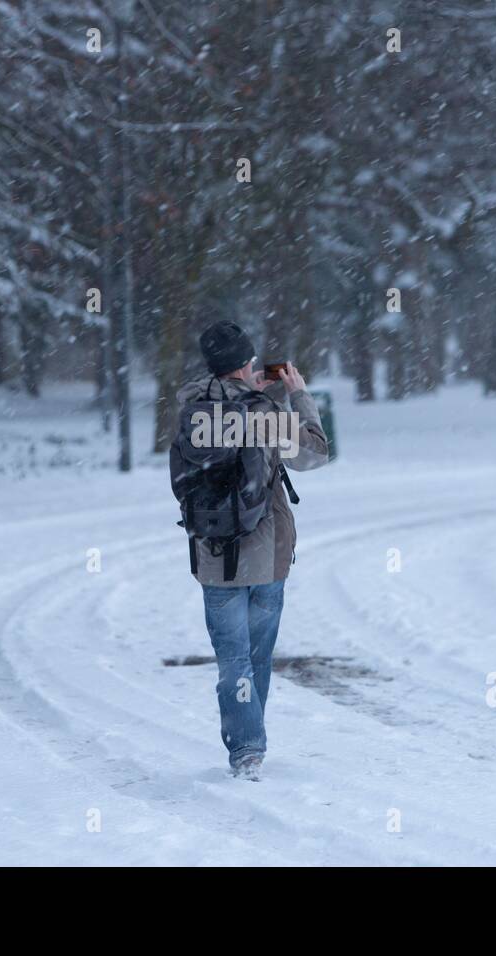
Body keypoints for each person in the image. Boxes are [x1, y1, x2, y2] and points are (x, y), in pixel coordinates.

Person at [172, 321, 330, 780]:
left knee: (232, 661)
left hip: (212, 554)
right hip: (266, 555)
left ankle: (245, 748)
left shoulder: (192, 412)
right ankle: (250, 748)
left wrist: (247, 394)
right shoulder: (266, 415)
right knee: (257, 656)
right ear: (247, 363)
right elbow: (315, 453)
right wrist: (295, 396)